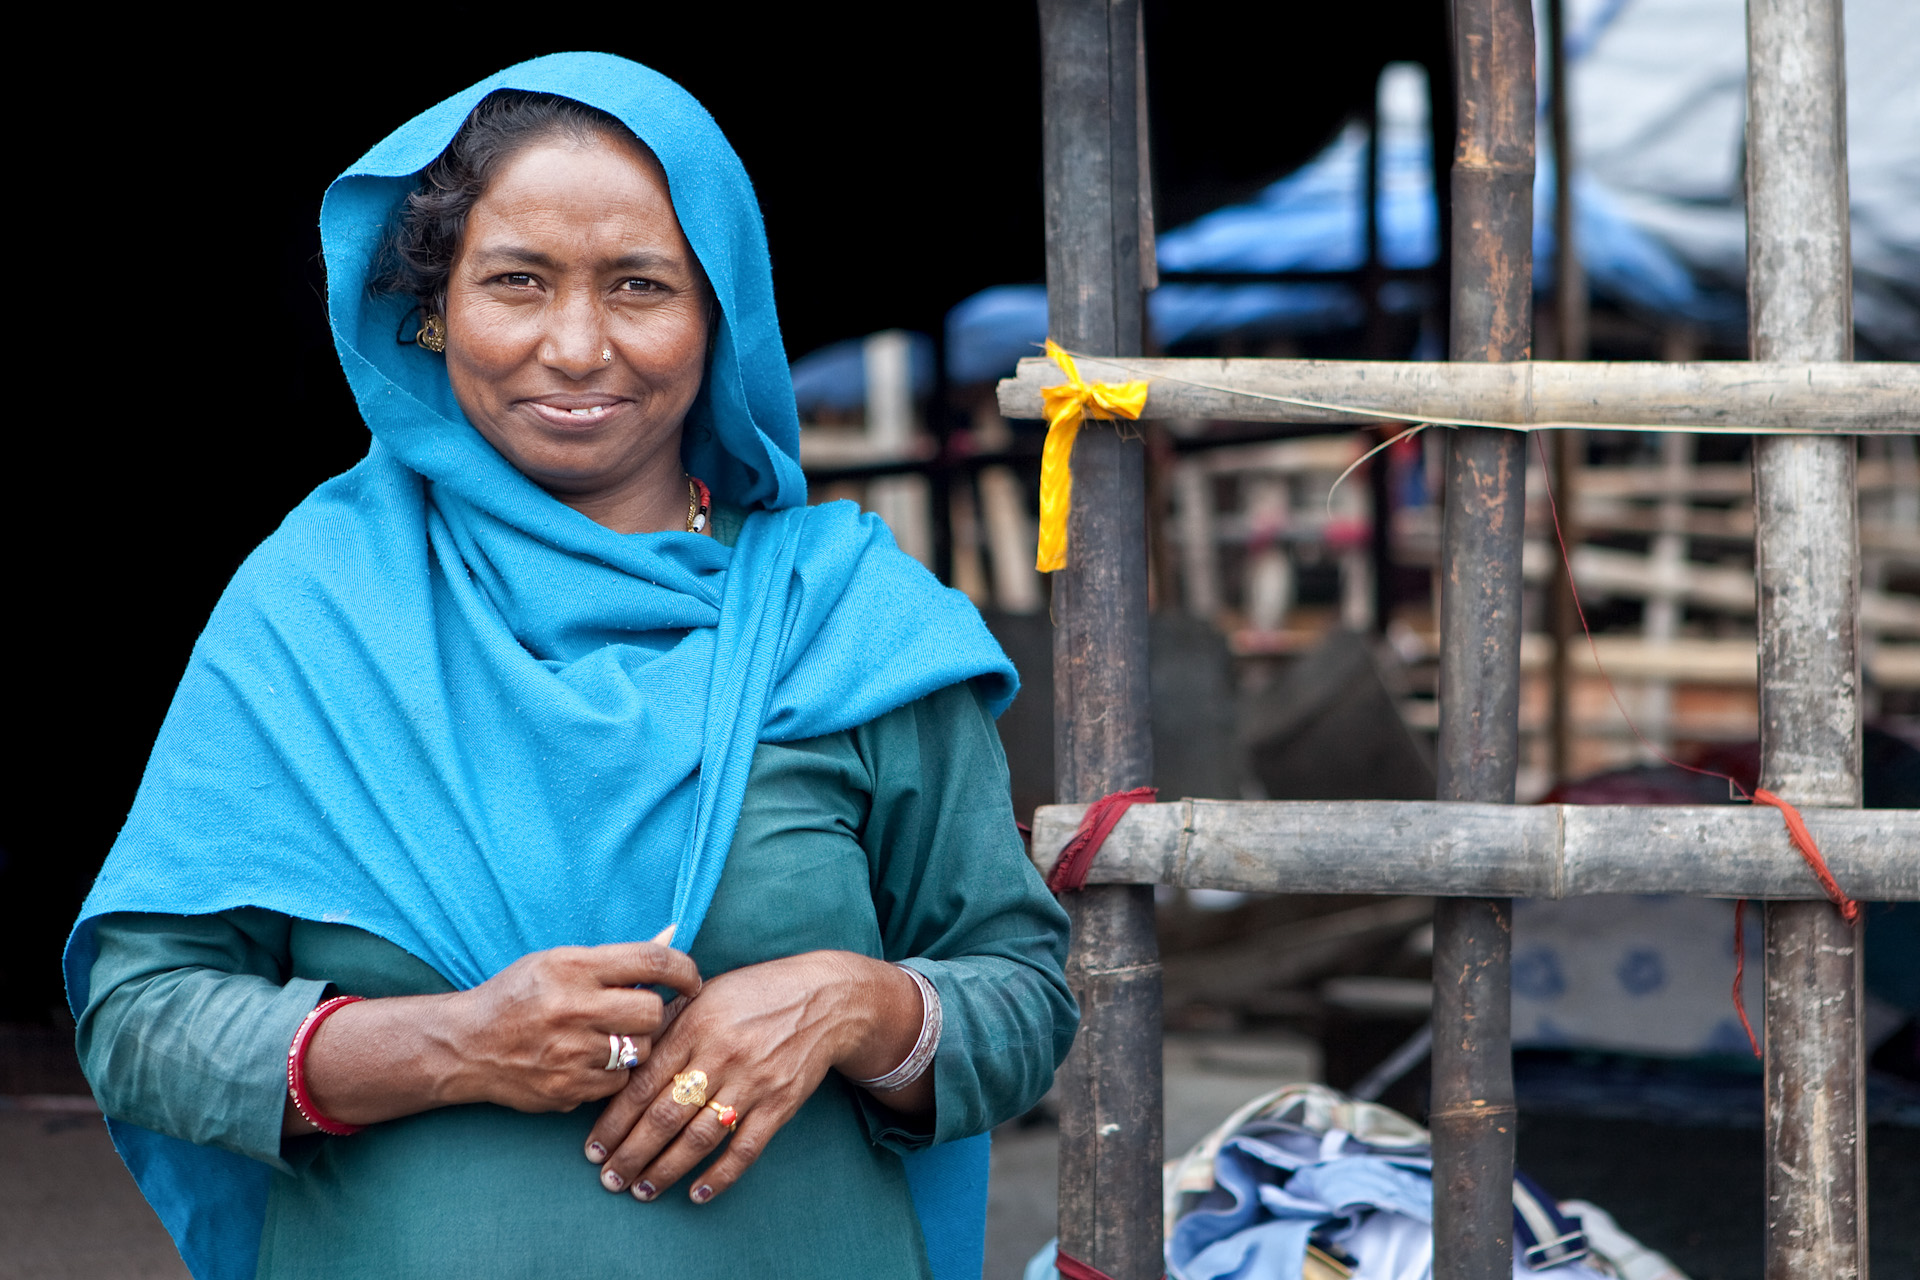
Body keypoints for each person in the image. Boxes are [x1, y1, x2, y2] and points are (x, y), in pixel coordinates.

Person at [66, 53, 1076, 1280]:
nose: (578, 344)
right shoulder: (314, 607)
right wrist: (457, 1044)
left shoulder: (847, 615)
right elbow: (140, 1019)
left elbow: (1022, 999)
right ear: (433, 307)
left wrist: (854, 1004)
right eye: (517, 282)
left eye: (641, 286)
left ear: (720, 314)